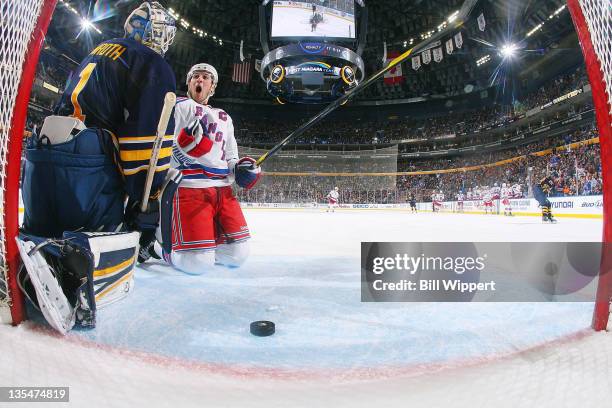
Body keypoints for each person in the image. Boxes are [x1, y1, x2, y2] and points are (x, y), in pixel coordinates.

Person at [17, 2, 177, 333]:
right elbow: (145, 137)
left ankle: (34, 256)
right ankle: (73, 274)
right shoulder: (150, 61)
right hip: (87, 162)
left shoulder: (99, 50)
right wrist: (143, 198)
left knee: (44, 229)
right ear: (158, 33)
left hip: (44, 154)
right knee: (104, 236)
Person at [149, 63, 262, 274]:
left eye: (205, 77)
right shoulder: (177, 106)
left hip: (223, 192)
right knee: (197, 264)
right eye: (195, 77)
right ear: (189, 83)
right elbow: (159, 146)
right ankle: (156, 246)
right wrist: (183, 151)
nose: (200, 80)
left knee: (237, 255)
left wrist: (242, 169)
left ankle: (202, 244)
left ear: (213, 87)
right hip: (190, 187)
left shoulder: (224, 117)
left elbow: (230, 157)